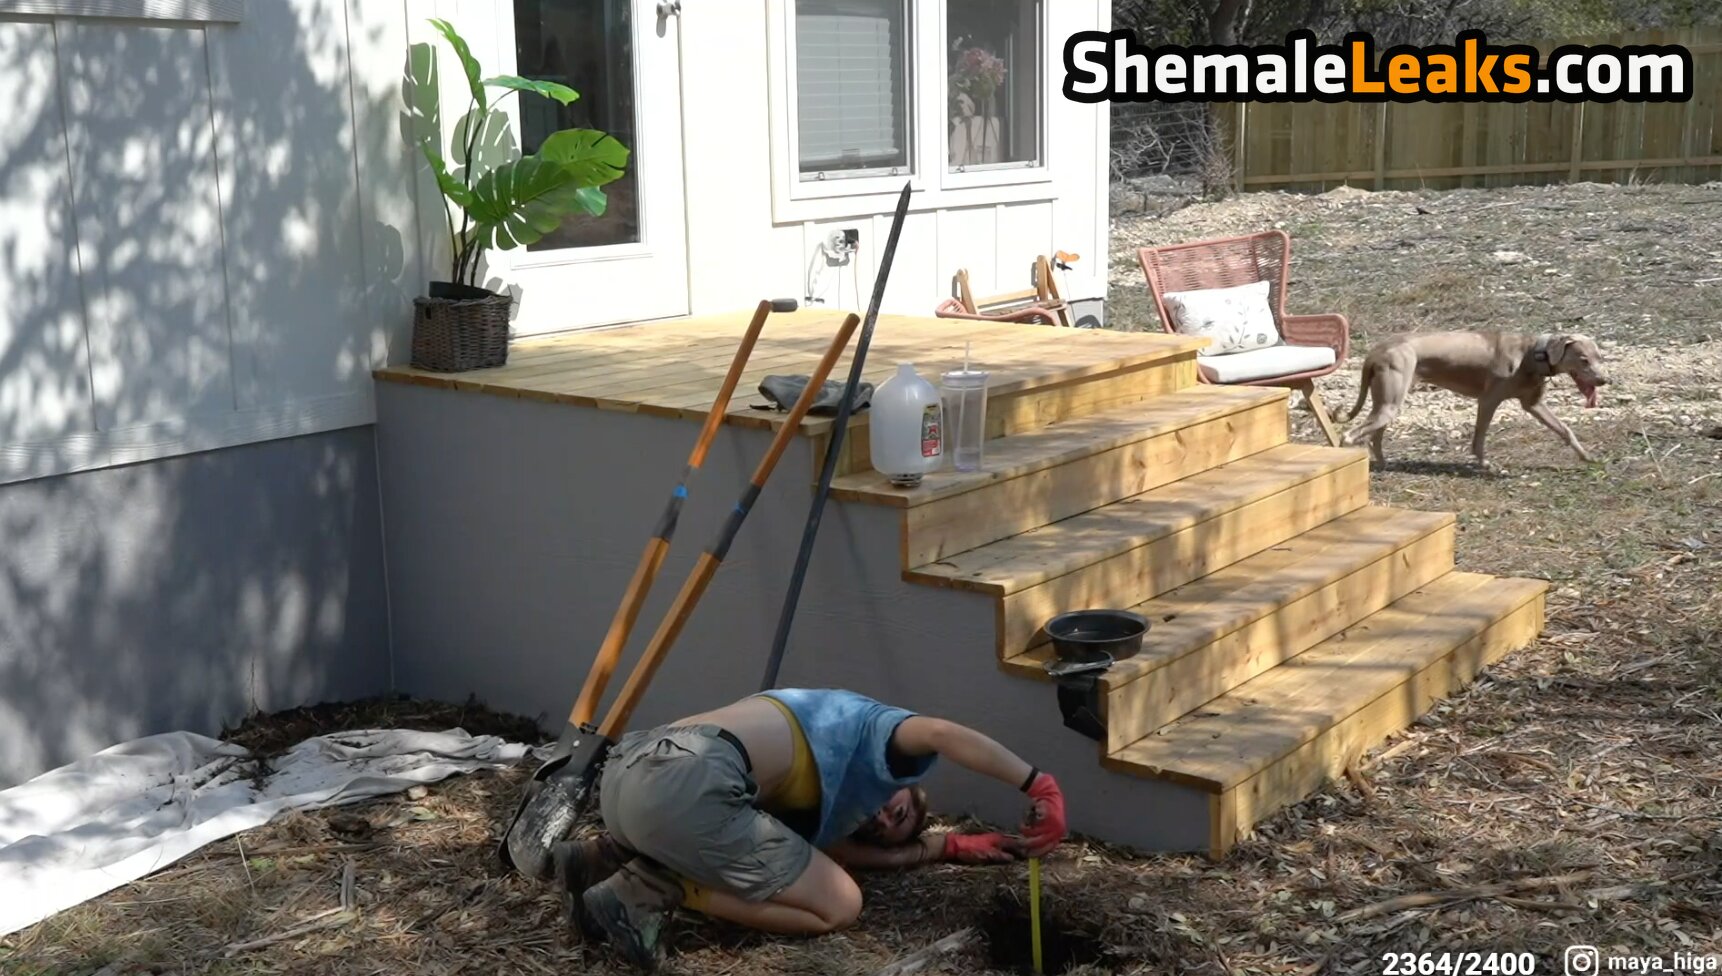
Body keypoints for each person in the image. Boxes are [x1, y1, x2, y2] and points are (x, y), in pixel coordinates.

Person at [552, 687, 1068, 971]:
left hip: (626, 775)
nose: (882, 819)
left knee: (818, 880)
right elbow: (941, 732)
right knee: (841, 906)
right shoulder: (873, 730)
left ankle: (613, 854)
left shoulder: (819, 742)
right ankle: (658, 883)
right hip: (689, 787)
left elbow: (836, 855)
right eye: (897, 809)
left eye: (886, 829)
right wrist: (1038, 785)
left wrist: (946, 846)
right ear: (903, 780)